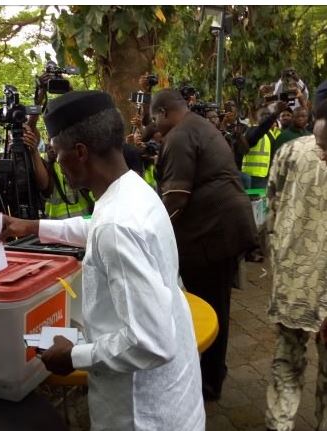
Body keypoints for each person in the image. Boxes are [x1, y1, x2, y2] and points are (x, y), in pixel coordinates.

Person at [0, 90, 205, 430]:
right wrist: (33, 226)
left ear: (79, 153)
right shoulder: (134, 191)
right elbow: (96, 227)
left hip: (140, 413)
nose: (57, 163)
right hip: (175, 399)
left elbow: (150, 343)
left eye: (56, 152)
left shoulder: (116, 225)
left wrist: (73, 356)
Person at [150, 89, 258, 401]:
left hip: (212, 232)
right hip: (224, 227)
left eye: (155, 118)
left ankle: (208, 381)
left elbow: (176, 198)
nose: (155, 125)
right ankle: (214, 372)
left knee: (208, 304)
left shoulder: (180, 135)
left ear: (164, 112)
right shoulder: (198, 125)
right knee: (218, 301)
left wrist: (151, 229)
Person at [264, 86, 327, 431]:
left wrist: (280, 256)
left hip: (293, 279)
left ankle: (280, 424)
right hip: (304, 281)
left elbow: (272, 212)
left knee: (287, 361)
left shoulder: (289, 151)